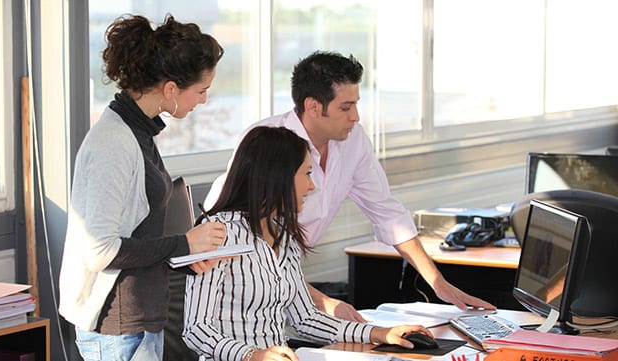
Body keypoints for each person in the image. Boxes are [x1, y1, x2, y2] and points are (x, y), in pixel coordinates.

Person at [205, 51, 496, 322]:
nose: (355, 117)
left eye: (356, 104)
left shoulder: (352, 139)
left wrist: (438, 284)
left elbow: (387, 212)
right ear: (313, 106)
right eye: (346, 107)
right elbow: (254, 252)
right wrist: (324, 303)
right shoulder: (267, 143)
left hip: (288, 285)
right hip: (239, 295)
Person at [183, 126, 434, 361]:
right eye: (306, 174)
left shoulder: (282, 234)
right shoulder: (217, 235)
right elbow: (196, 330)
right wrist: (253, 355)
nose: (312, 186)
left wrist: (379, 333)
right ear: (277, 177)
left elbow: (305, 318)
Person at [58, 14, 226, 361]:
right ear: (170, 89)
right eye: (201, 91)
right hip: (117, 328)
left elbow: (140, 232)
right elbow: (100, 251)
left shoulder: (138, 133)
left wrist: (185, 253)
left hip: (140, 320)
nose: (204, 101)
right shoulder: (114, 143)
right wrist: (183, 244)